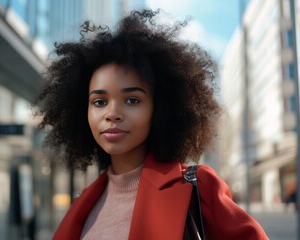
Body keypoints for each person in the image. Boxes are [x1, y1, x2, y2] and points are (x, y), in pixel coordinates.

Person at [34, 9, 269, 240]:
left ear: (160, 107)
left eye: (132, 100)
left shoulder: (198, 187)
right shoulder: (84, 202)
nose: (112, 113)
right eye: (99, 101)